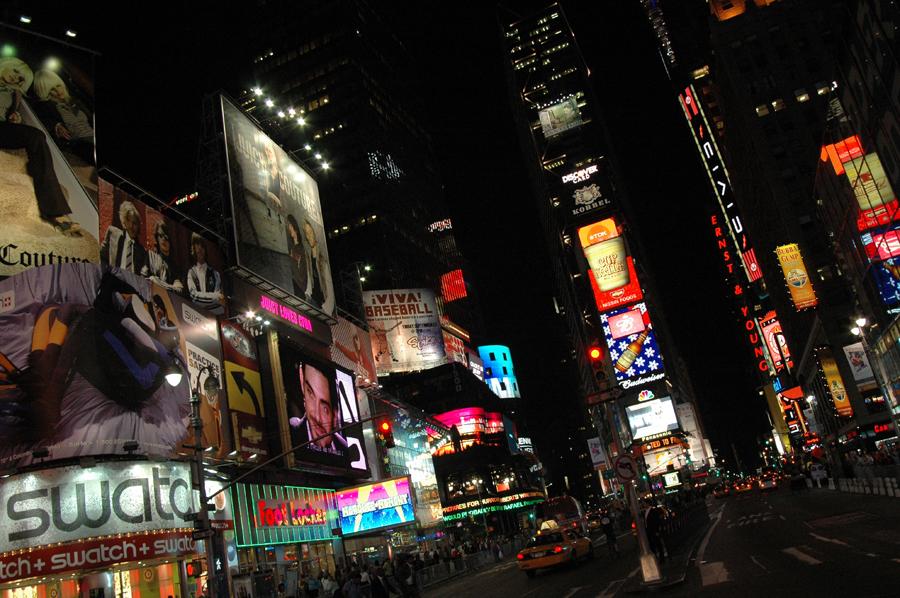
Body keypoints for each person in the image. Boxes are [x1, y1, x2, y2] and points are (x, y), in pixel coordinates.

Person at [0, 57, 83, 236]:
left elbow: (8, 117)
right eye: (15, 72)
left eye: (21, 78)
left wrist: (15, 119)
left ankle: (55, 211)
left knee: (36, 136)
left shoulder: (15, 95)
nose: (16, 78)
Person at [31, 68, 95, 167]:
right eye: (52, 89)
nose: (57, 91)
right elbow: (40, 120)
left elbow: (91, 119)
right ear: (45, 92)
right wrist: (55, 125)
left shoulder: (76, 102)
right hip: (76, 143)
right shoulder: (45, 107)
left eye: (58, 86)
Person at [289, 361, 349, 454]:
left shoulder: (345, 449)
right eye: (310, 393)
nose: (317, 417)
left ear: (335, 415)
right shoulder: (291, 436)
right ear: (302, 382)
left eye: (325, 409)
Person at [101, 201, 148, 274]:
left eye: (134, 223)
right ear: (124, 222)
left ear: (138, 226)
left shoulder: (142, 251)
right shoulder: (113, 234)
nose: (131, 226)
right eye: (128, 221)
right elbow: (102, 256)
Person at [300, 218, 333, 313]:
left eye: (310, 232)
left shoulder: (322, 256)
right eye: (306, 233)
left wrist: (327, 308)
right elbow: (310, 278)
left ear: (314, 233)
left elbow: (329, 286)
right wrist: (307, 293)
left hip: (324, 304)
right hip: (313, 301)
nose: (309, 236)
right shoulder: (308, 254)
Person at [143, 222, 184, 291]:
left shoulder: (175, 267)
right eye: (160, 235)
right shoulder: (150, 257)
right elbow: (143, 279)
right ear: (157, 237)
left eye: (166, 237)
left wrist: (155, 281)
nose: (163, 239)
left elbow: (179, 289)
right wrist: (171, 287)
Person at [187, 233, 224, 306]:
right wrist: (214, 297)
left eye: (202, 245)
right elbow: (194, 296)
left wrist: (214, 297)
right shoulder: (191, 272)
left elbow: (219, 298)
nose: (200, 248)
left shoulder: (215, 274)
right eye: (197, 244)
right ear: (193, 247)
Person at [286, 214, 309, 297]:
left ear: (295, 228)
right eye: (289, 227)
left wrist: (293, 256)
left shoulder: (301, 248)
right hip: (294, 282)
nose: (289, 229)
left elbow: (302, 265)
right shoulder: (293, 247)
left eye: (290, 226)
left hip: (300, 285)